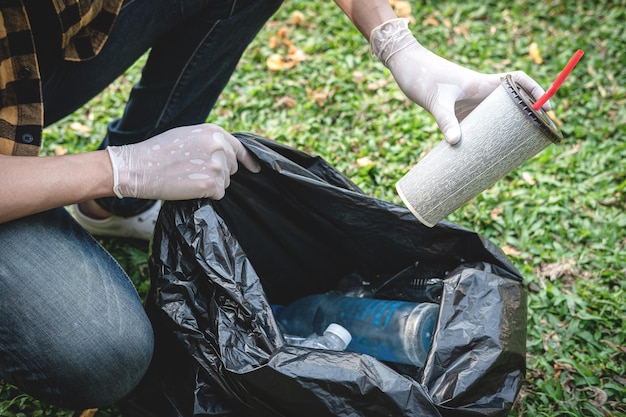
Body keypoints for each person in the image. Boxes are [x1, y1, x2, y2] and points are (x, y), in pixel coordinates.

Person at [0, 0, 549, 411]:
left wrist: (397, 45)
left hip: (25, 61)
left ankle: (113, 205)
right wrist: (119, 167)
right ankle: (112, 187)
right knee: (100, 350)